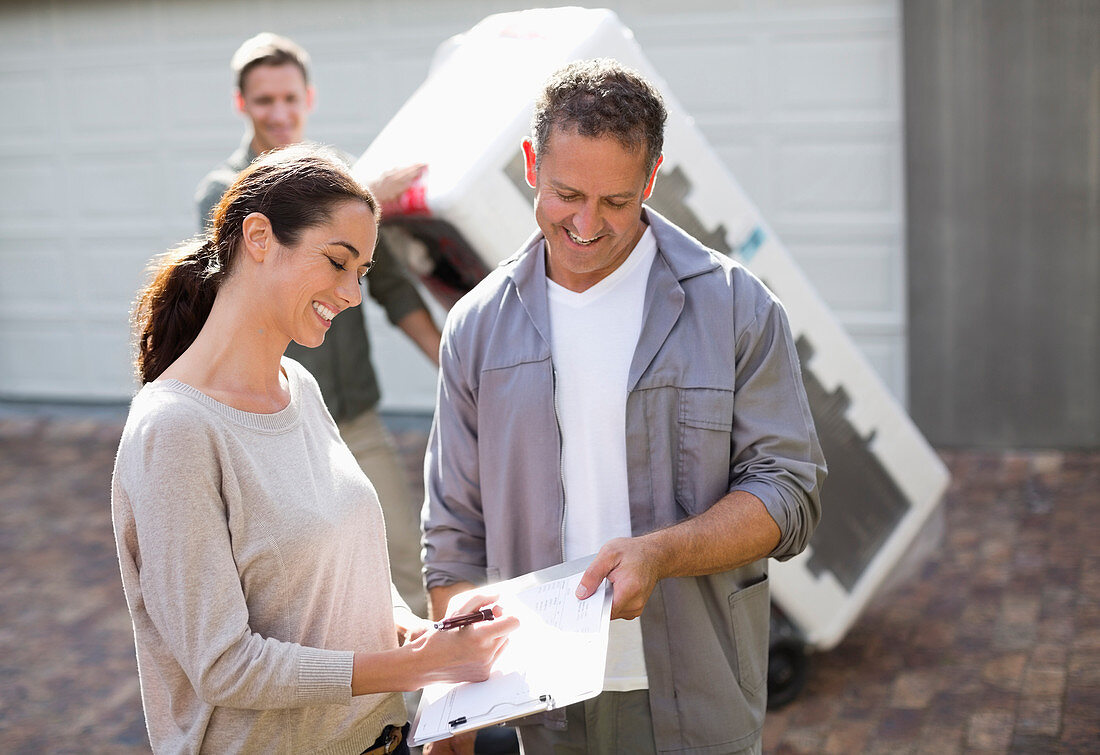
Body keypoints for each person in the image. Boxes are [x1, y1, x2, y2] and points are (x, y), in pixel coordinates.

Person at [422, 59, 826, 755]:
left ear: (651, 176)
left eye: (615, 201)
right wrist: (456, 687)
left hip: (696, 692)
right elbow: (454, 531)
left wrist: (662, 553)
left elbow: (789, 492)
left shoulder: (735, 305)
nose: (585, 224)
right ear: (530, 165)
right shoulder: (477, 326)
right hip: (539, 696)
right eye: (566, 193)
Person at [112, 144, 517, 754]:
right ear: (258, 237)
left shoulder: (298, 387)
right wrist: (420, 667)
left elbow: (345, 581)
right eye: (337, 262)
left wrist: (420, 633)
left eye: (363, 272)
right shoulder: (174, 431)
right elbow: (225, 667)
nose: (352, 293)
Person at [195, 32, 436, 615]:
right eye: (263, 102)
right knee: (312, 587)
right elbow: (242, 274)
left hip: (354, 418)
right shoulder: (222, 193)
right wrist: (362, 202)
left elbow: (394, 288)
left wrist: (454, 361)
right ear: (241, 105)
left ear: (309, 97)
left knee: (406, 559)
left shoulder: (345, 176)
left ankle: (426, 702)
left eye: (289, 99)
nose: (279, 114)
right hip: (273, 431)